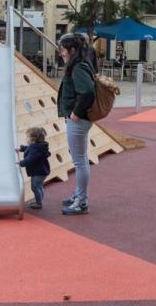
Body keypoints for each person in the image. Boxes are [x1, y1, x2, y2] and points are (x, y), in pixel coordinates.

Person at [56, 33, 96, 216]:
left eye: (63, 50)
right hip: (80, 118)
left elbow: (87, 91)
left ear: (72, 50)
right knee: (81, 159)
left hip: (78, 119)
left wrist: (76, 113)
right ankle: (79, 196)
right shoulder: (80, 64)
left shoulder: (78, 67)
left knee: (80, 161)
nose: (60, 53)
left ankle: (82, 201)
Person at [18, 127, 51, 210]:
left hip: (38, 172)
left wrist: (20, 163)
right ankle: (39, 200)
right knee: (39, 186)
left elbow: (29, 160)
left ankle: (39, 203)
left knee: (35, 187)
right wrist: (22, 148)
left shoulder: (35, 149)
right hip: (42, 171)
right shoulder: (38, 146)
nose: (26, 138)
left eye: (27, 137)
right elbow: (29, 148)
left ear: (33, 139)